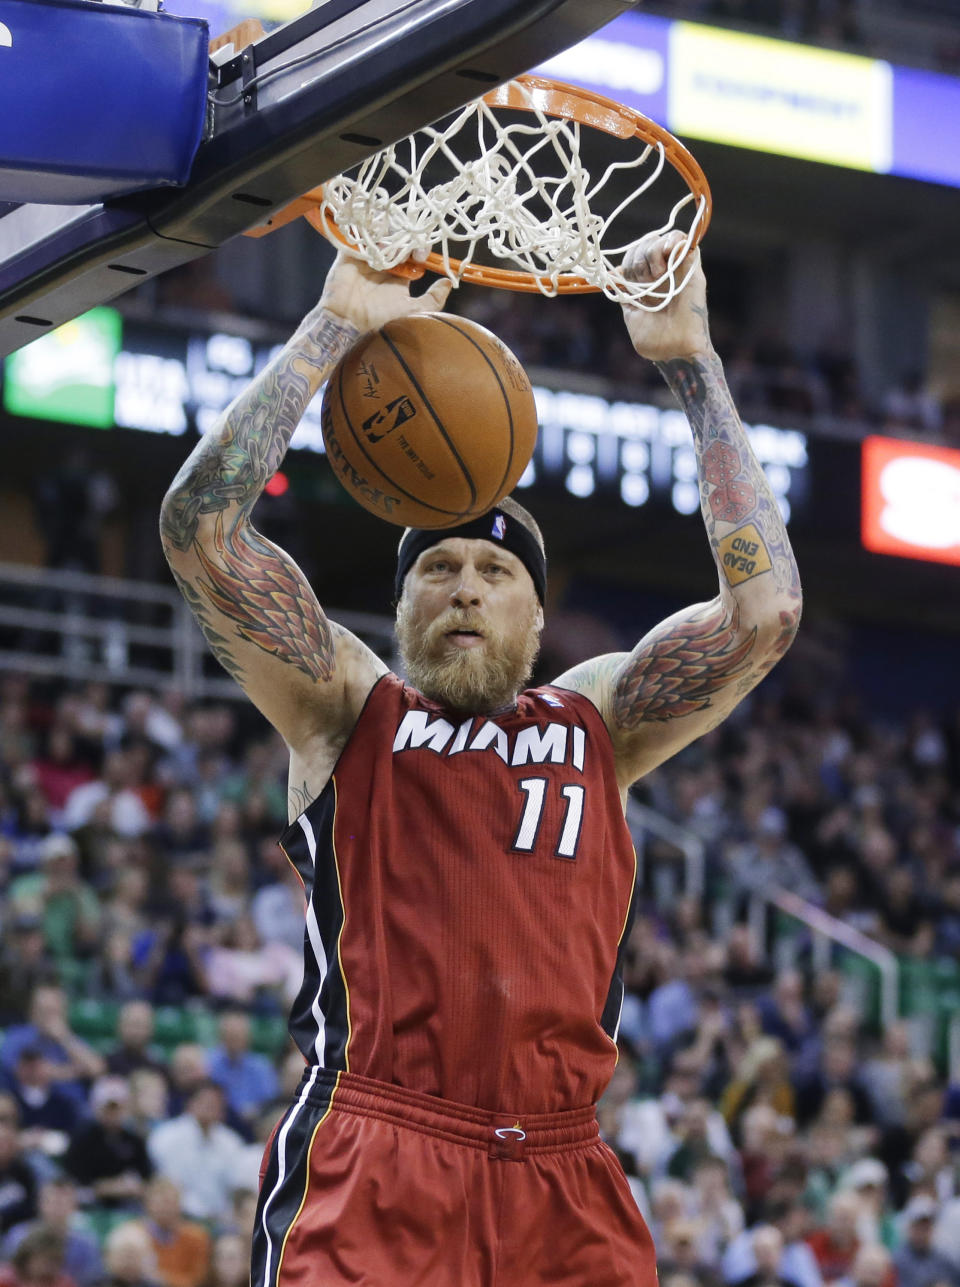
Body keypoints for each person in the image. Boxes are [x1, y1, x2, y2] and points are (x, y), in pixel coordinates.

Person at [159, 234, 801, 1286]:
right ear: (402, 600)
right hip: (377, 1151)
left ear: (537, 613)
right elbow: (199, 532)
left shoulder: (598, 717)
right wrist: (335, 329)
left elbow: (766, 609)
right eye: (441, 566)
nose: (465, 587)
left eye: (495, 569)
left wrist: (692, 360)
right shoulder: (346, 708)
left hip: (563, 1174)